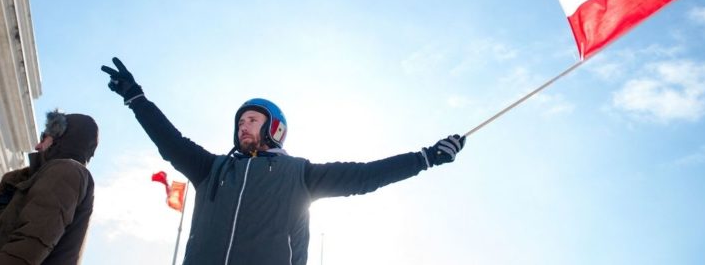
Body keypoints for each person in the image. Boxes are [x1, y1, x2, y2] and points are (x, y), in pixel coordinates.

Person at [101, 57, 466, 265]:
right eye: (240, 121)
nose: (243, 126)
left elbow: (364, 177)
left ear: (274, 127)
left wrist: (424, 158)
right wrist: (135, 97)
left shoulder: (300, 175)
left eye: (252, 120)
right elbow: (169, 140)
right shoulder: (211, 170)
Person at [0, 110, 99, 265]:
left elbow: (31, 240)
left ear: (60, 138)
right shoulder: (58, 174)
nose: (37, 146)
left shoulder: (65, 171)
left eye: (44, 137)